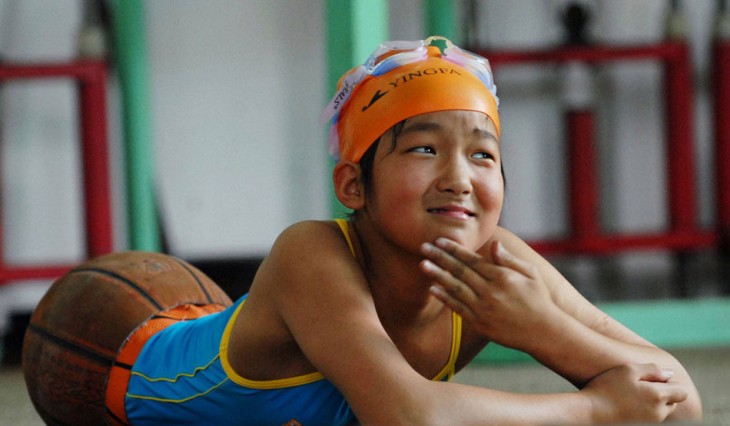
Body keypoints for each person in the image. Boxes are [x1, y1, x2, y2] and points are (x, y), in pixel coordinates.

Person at [118, 36, 702, 425]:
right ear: (353, 186)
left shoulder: (499, 264)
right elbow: (408, 417)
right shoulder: (311, 253)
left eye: (482, 155)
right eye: (424, 148)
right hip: (113, 342)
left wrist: (543, 327)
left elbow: (682, 404)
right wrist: (598, 409)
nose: (459, 179)